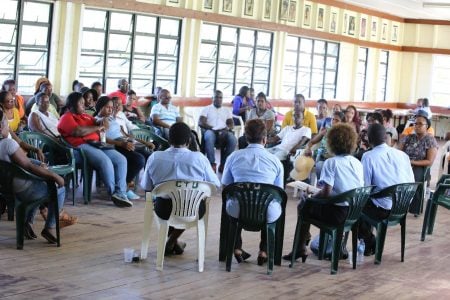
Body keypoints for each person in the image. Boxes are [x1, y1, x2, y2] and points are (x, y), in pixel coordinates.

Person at [283, 123, 363, 261]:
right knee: (308, 202)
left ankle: (299, 248)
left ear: (331, 143)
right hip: (353, 212)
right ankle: (305, 240)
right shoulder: (356, 162)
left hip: (337, 214)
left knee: (304, 204)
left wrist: (311, 195)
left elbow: (325, 193)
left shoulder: (331, 163)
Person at [140, 122, 220, 255]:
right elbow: (215, 185)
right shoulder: (199, 159)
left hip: (163, 210)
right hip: (193, 210)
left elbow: (146, 186)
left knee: (167, 203)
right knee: (189, 202)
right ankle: (172, 241)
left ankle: (172, 242)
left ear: (169, 140)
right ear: (189, 140)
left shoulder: (155, 157)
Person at [0, 108, 71, 243]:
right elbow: (28, 166)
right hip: (21, 189)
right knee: (58, 187)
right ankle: (50, 227)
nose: (8, 126)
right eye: (5, 123)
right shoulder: (8, 144)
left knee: (41, 175)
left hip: (5, 189)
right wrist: (55, 177)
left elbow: (20, 164)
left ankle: (29, 222)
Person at [222, 119, 283, 266]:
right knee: (270, 202)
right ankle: (264, 250)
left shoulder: (233, 157)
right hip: (265, 214)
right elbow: (279, 193)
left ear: (246, 137)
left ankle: (236, 247)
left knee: (232, 201)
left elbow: (225, 186)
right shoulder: (275, 161)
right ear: (265, 139)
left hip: (238, 212)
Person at [57, 92, 132, 208]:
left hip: (97, 144)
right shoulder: (66, 117)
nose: (84, 105)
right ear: (72, 105)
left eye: (84, 103)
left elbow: (96, 120)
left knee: (121, 159)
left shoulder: (85, 116)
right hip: (80, 147)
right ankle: (113, 193)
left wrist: (102, 121)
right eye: (81, 103)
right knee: (105, 161)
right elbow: (78, 132)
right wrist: (99, 127)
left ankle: (120, 193)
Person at [358, 123, 414, 255]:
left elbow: (365, 187)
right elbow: (412, 182)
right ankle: (369, 242)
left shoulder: (368, 156)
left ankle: (369, 240)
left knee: (355, 205)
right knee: (366, 202)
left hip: (383, 210)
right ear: (385, 137)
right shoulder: (402, 155)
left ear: (368, 139)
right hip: (402, 208)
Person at [94, 96, 148, 200]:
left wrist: (142, 142)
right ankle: (125, 187)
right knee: (139, 159)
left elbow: (124, 133)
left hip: (124, 141)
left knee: (149, 155)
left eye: (111, 107)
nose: (111, 109)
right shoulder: (98, 120)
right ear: (100, 108)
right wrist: (121, 143)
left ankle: (149, 190)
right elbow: (103, 139)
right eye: (107, 107)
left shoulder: (111, 118)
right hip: (116, 145)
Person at [398, 110, 438, 215]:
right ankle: (397, 204)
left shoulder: (430, 140)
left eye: (420, 124)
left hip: (420, 166)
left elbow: (429, 161)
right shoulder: (409, 137)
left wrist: (412, 162)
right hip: (405, 163)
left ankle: (414, 208)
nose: (417, 126)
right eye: (415, 123)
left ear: (427, 126)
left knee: (414, 176)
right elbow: (399, 152)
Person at [198, 90, 236, 173]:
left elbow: (231, 124)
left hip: (223, 132)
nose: (218, 99)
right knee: (209, 136)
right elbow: (201, 122)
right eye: (216, 97)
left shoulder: (226, 110)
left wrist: (226, 129)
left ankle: (224, 164)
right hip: (210, 130)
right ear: (212, 98)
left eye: (220, 97)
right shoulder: (207, 109)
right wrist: (213, 128)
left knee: (233, 139)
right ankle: (212, 163)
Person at [304, 111, 346, 178]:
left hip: (334, 161)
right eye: (333, 119)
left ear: (342, 123)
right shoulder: (326, 131)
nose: (334, 121)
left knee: (322, 166)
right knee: (316, 164)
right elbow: (311, 142)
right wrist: (308, 148)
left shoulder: (343, 136)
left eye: (337, 120)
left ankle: (323, 186)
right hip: (321, 158)